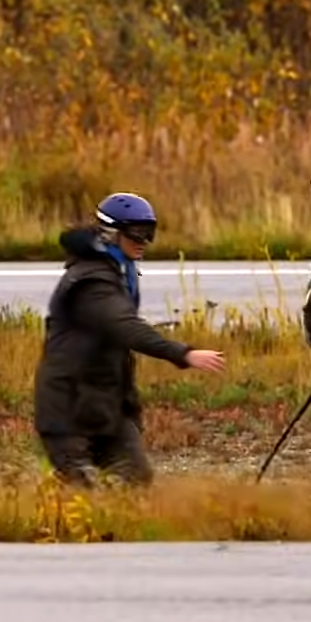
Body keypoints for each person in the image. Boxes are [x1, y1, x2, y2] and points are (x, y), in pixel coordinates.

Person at [31, 192, 228, 487]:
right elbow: (126, 328)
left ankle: (116, 532)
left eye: (150, 234)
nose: (144, 242)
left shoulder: (120, 273)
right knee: (79, 491)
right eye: (136, 234)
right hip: (67, 409)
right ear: (110, 233)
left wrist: (130, 410)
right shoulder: (91, 282)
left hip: (106, 408)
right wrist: (182, 353)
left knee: (136, 479)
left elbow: (117, 356)